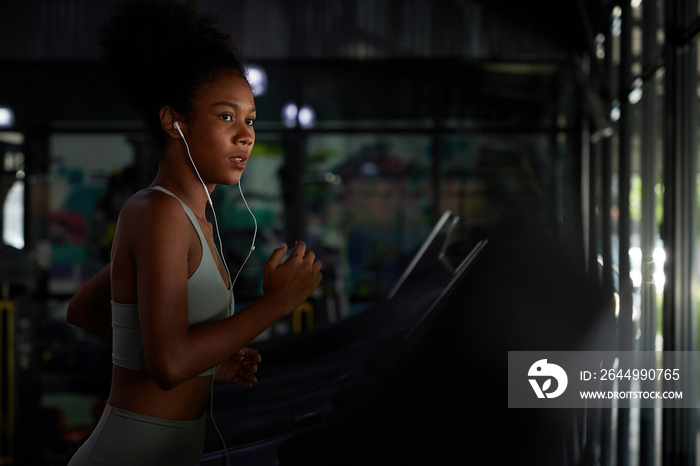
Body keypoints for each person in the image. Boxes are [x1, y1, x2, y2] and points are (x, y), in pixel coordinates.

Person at [65, 1, 322, 464]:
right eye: (226, 117)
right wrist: (276, 304)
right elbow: (169, 365)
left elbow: (84, 309)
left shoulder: (192, 219)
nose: (245, 135)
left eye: (250, 120)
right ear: (174, 122)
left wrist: (205, 362)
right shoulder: (158, 212)